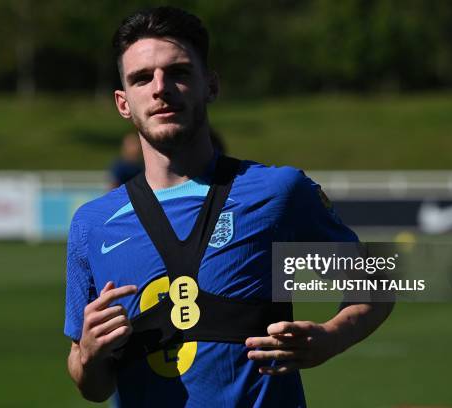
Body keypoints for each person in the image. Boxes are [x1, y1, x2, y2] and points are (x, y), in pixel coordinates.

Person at [65, 7, 393, 407]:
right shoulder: (92, 224)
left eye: (179, 72)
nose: (160, 88)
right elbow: (93, 387)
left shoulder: (277, 193)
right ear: (123, 102)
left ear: (211, 85)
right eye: (141, 78)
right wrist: (89, 357)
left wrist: (332, 337)